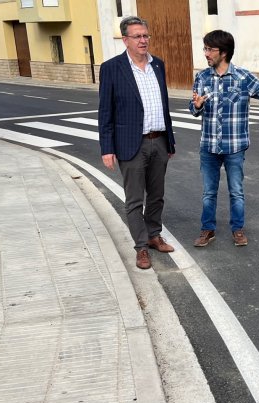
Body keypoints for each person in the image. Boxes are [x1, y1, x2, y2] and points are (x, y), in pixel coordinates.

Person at [189, 30, 259, 247]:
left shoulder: (242, 77)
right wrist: (196, 106)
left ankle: (238, 230)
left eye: (210, 49)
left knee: (236, 192)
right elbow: (193, 108)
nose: (206, 53)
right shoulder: (202, 77)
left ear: (223, 52)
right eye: (205, 48)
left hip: (235, 146)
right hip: (209, 146)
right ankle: (207, 230)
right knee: (208, 192)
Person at [98, 16, 176, 269]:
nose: (143, 40)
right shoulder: (112, 68)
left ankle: (154, 235)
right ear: (125, 40)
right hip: (131, 144)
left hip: (159, 140)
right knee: (134, 199)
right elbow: (105, 111)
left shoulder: (158, 65)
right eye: (137, 36)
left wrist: (170, 142)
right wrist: (107, 148)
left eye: (145, 35)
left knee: (157, 195)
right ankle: (141, 247)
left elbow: (164, 106)